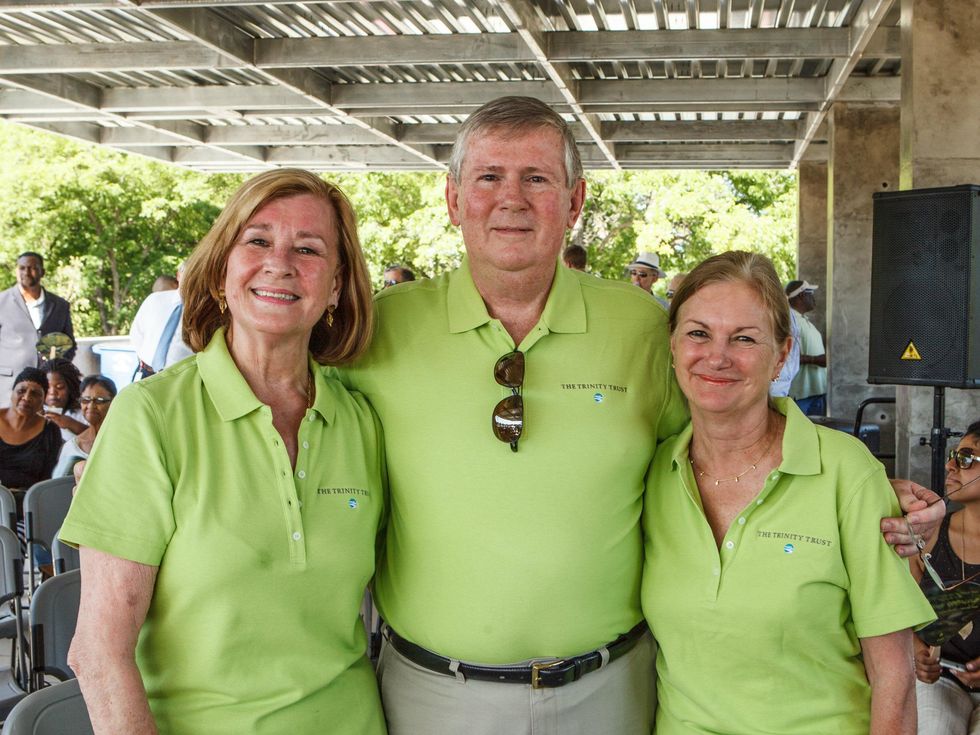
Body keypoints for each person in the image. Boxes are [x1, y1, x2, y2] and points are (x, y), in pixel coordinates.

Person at [337, 95, 688, 735]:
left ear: (575, 201)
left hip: (611, 691)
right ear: (452, 199)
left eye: (536, 178)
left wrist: (853, 492)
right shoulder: (378, 329)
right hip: (431, 696)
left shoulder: (641, 327)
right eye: (489, 177)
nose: (512, 198)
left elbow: (715, 455)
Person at [61, 169, 387, 734]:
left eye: (308, 249)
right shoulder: (152, 415)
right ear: (221, 272)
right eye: (257, 240)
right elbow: (98, 652)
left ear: (336, 285)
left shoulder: (360, 422)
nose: (280, 263)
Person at [641, 250, 935, 735]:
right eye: (698, 333)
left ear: (781, 353)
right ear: (672, 345)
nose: (717, 356)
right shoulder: (654, 473)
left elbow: (895, 679)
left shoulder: (846, 472)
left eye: (744, 338)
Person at [912, 420, 980, 735]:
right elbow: (897, 611)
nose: (950, 465)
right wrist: (914, 648)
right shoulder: (929, 534)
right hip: (942, 677)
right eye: (954, 455)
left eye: (966, 459)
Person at [0, 252, 75, 406]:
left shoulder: (60, 305)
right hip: (9, 385)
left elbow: (69, 344)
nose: (26, 272)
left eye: (33, 268)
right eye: (22, 268)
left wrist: (56, 368)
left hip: (46, 388)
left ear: (42, 272)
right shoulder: (2, 302)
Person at [0, 367, 62, 493]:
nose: (27, 398)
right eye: (21, 391)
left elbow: (46, 479)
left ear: (43, 400)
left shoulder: (50, 431)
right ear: (12, 392)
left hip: (29, 503)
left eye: (35, 393)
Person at [129, 261, 193, 379]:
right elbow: (136, 334)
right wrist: (146, 362)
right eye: (189, 273)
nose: (193, 278)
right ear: (179, 275)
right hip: (146, 373)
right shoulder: (155, 300)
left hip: (181, 377)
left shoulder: (205, 309)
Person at [52, 375, 116, 478]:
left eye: (99, 400)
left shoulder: (122, 440)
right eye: (85, 400)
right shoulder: (71, 447)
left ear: (114, 402)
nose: (91, 406)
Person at [786, 279, 828, 416]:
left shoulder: (802, 320)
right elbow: (785, 356)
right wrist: (815, 360)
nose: (814, 298)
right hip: (802, 395)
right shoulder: (791, 322)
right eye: (811, 293)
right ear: (802, 295)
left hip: (815, 392)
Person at [42, 357, 87, 440]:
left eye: (59, 387)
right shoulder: (35, 413)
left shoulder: (83, 414)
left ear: (70, 388)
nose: (52, 392)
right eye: (47, 387)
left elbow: (98, 440)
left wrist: (70, 424)